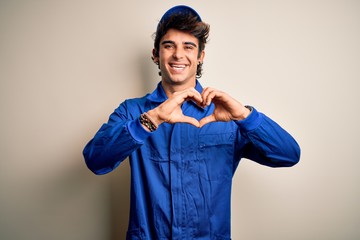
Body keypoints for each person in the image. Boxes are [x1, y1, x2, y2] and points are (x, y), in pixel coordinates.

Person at [83, 5, 300, 240]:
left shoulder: (224, 115)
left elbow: (288, 154)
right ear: (155, 54)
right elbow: (96, 159)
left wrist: (244, 116)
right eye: (169, 46)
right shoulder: (132, 111)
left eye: (188, 46)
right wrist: (150, 120)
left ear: (200, 56)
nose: (178, 55)